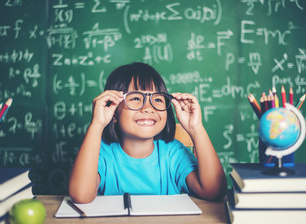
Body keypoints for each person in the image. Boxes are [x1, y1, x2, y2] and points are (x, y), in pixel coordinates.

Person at [69, 62, 227, 203]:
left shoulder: (173, 153)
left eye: (158, 99)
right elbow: (81, 195)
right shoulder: (102, 153)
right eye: (136, 98)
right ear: (113, 111)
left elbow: (214, 191)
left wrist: (196, 127)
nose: (148, 108)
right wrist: (97, 124)